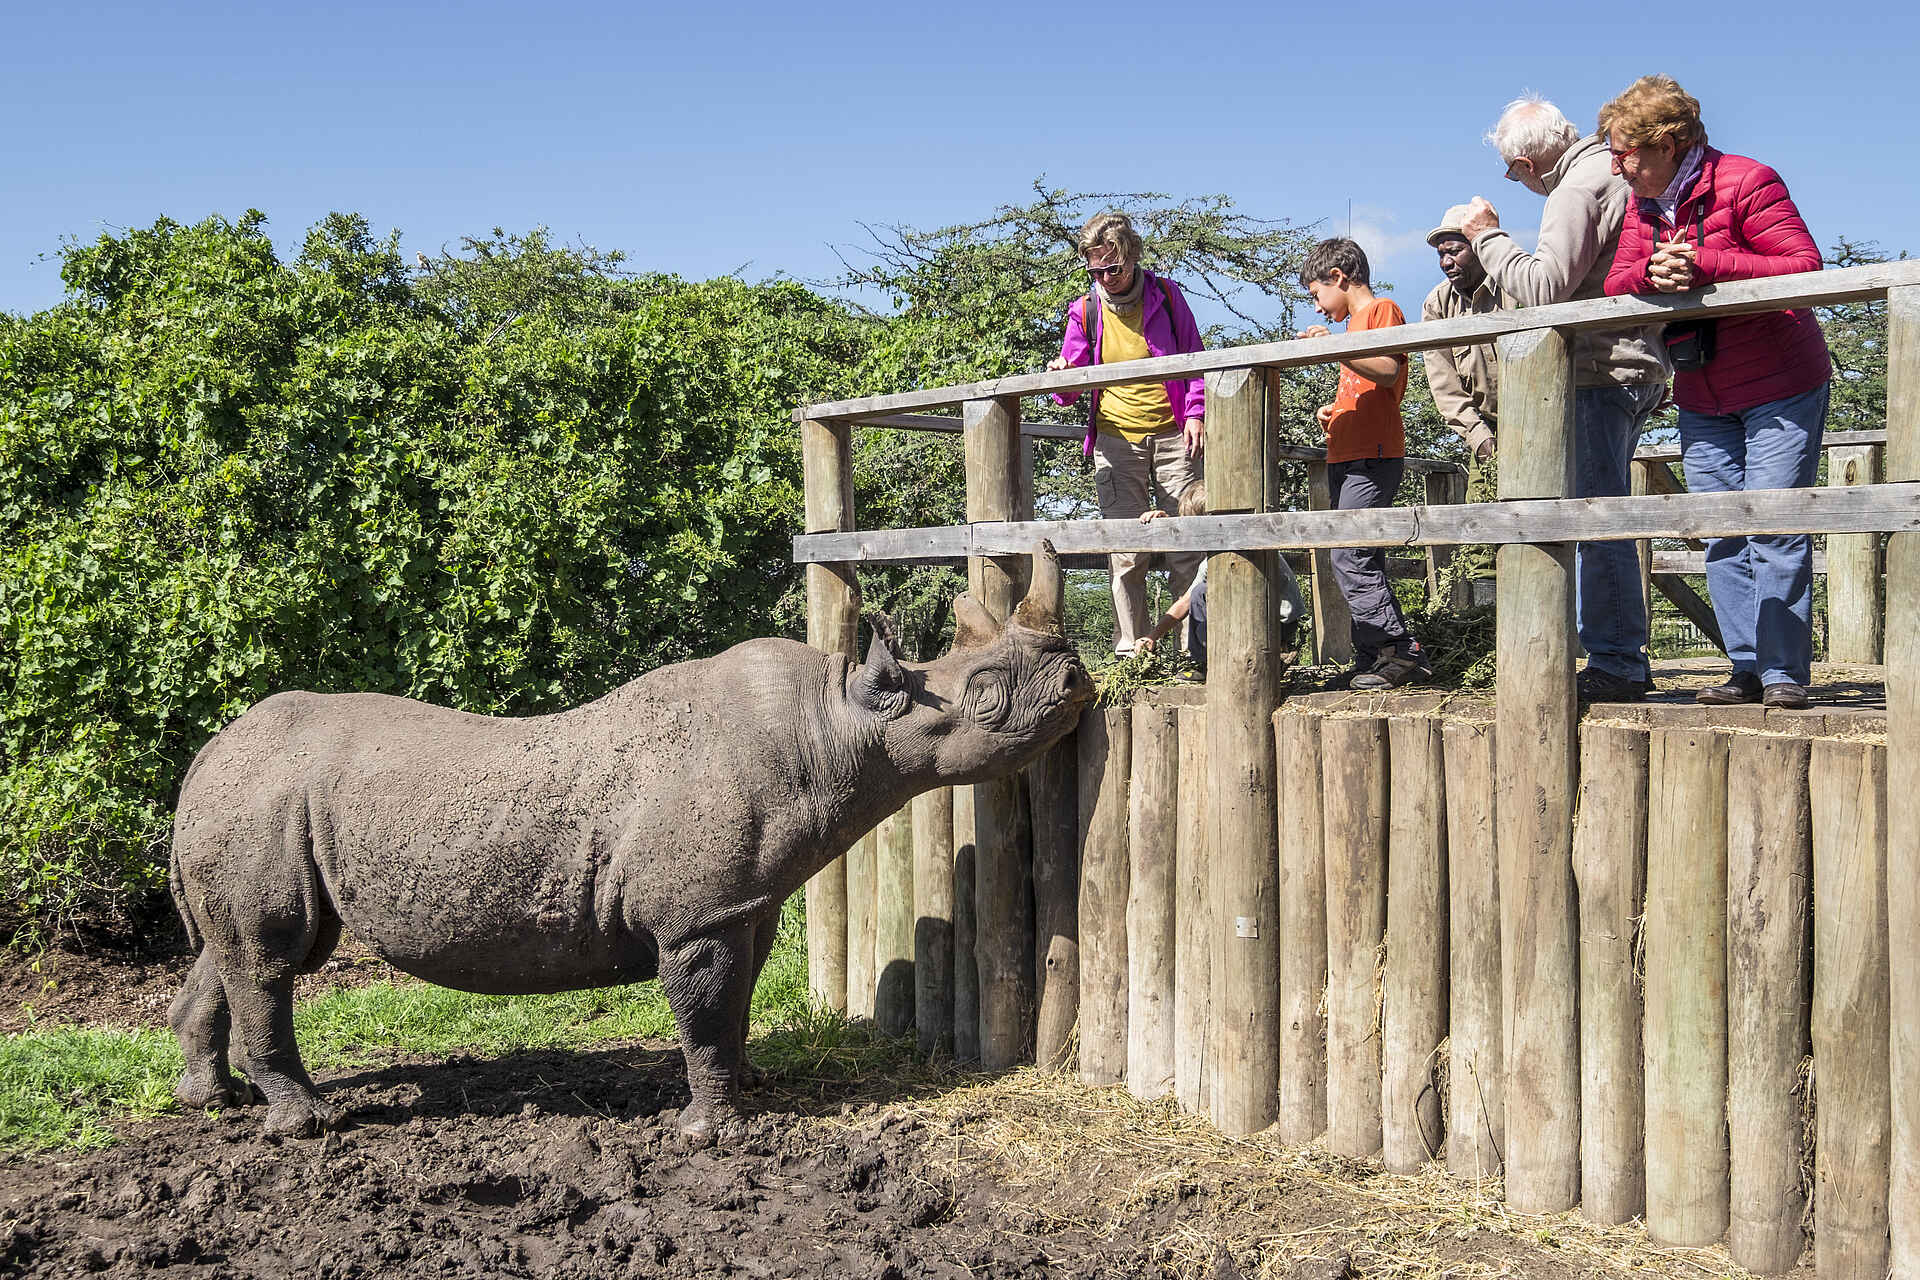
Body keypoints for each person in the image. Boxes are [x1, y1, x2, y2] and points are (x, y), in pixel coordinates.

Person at [1600, 75, 1830, 710]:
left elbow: (1804, 267)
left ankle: (1784, 674)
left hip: (1781, 383)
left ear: (1668, 144)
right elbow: (1619, 279)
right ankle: (1747, 667)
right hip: (1702, 391)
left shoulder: (1749, 181)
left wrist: (1706, 265)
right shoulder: (1643, 207)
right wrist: (1651, 271)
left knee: (1775, 526)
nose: (1616, 167)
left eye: (1625, 153)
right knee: (1721, 530)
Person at [1461, 95, 1671, 703]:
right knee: (1604, 514)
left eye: (1510, 169)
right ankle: (1616, 654)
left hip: (1599, 371)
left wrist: (1489, 238)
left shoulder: (1576, 189)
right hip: (1635, 365)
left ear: (1526, 163)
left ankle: (1616, 662)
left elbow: (1543, 288)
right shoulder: (1615, 174)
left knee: (1593, 518)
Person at [1047, 211, 1207, 655]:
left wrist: (1195, 414)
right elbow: (1070, 386)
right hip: (1116, 439)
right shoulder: (1085, 310)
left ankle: (1195, 649)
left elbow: (1194, 359)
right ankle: (1131, 650)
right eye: (1095, 270)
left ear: (1132, 256)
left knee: (1186, 542)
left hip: (1175, 433)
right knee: (1124, 550)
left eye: (1112, 268)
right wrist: (1062, 375)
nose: (1105, 277)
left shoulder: (1167, 297)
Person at [1297, 237, 1431, 690]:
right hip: (1347, 452)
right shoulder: (1353, 326)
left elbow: (1390, 370)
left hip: (1372, 457)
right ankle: (1372, 654)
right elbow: (1365, 388)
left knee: (1349, 553)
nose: (1317, 308)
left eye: (1316, 294)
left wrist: (1333, 347)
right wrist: (1335, 412)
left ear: (1338, 278)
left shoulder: (1381, 310)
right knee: (1359, 553)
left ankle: (1398, 649)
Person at [1134, 481, 1305, 675]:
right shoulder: (1225, 548)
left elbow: (1190, 600)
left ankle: (1205, 663)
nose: (1191, 533)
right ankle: (1211, 660)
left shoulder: (1241, 548)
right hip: (1269, 623)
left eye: (1193, 526)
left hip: (1274, 626)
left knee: (1201, 593)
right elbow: (1183, 603)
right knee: (1201, 593)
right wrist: (1166, 524)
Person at [1419, 204, 1502, 589]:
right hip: (1486, 433)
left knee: (1547, 526)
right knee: (1483, 544)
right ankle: (1489, 633)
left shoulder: (1515, 283)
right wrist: (1480, 437)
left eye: (1455, 251)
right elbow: (1445, 385)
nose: (1447, 261)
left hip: (1539, 425)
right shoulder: (1437, 304)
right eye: (1441, 254)